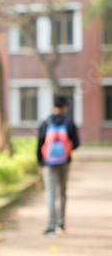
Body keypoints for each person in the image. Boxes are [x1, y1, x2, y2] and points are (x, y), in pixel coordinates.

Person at [36, 93, 80, 236]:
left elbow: (39, 144)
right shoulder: (69, 122)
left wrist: (40, 162)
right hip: (64, 161)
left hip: (48, 162)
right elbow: (77, 143)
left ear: (53, 106)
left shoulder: (46, 122)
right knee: (62, 192)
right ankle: (61, 222)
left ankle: (51, 225)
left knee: (50, 193)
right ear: (65, 107)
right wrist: (66, 149)